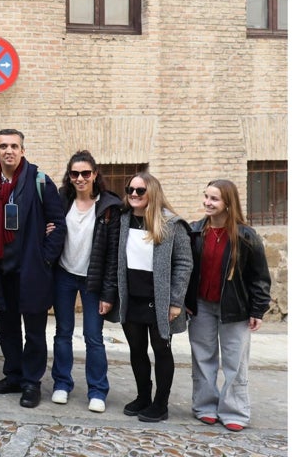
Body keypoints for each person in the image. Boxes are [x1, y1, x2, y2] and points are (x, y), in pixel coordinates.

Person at [0, 129, 66, 409]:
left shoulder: (39, 181)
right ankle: (13, 375)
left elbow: (58, 224)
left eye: (14, 146)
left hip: (31, 270)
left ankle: (31, 382)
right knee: (7, 329)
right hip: (0, 270)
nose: (9, 151)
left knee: (34, 332)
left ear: (22, 150)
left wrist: (45, 258)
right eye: (3, 146)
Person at [185, 179, 271, 431]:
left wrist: (258, 310)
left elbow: (260, 276)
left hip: (235, 309)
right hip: (201, 306)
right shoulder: (195, 231)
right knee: (203, 358)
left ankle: (235, 411)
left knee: (235, 362)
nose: (207, 202)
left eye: (214, 199)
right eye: (206, 196)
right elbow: (187, 270)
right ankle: (205, 406)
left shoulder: (246, 236)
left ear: (228, 203)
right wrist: (187, 301)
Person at [116, 172, 193, 422]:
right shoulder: (123, 219)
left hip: (159, 299)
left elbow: (184, 263)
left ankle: (161, 404)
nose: (134, 194)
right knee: (136, 349)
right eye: (130, 190)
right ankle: (143, 397)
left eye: (140, 190)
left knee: (161, 349)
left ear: (153, 193)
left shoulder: (172, 224)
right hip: (131, 296)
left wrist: (175, 301)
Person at [49, 151, 122, 413]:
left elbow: (113, 255)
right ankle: (61, 383)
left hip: (94, 280)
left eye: (85, 173)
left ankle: (97, 390)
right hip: (64, 274)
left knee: (93, 336)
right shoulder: (61, 200)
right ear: (69, 176)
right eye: (74, 173)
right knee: (63, 333)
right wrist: (49, 229)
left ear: (95, 174)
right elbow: (50, 224)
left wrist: (108, 293)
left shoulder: (109, 207)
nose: (80, 178)